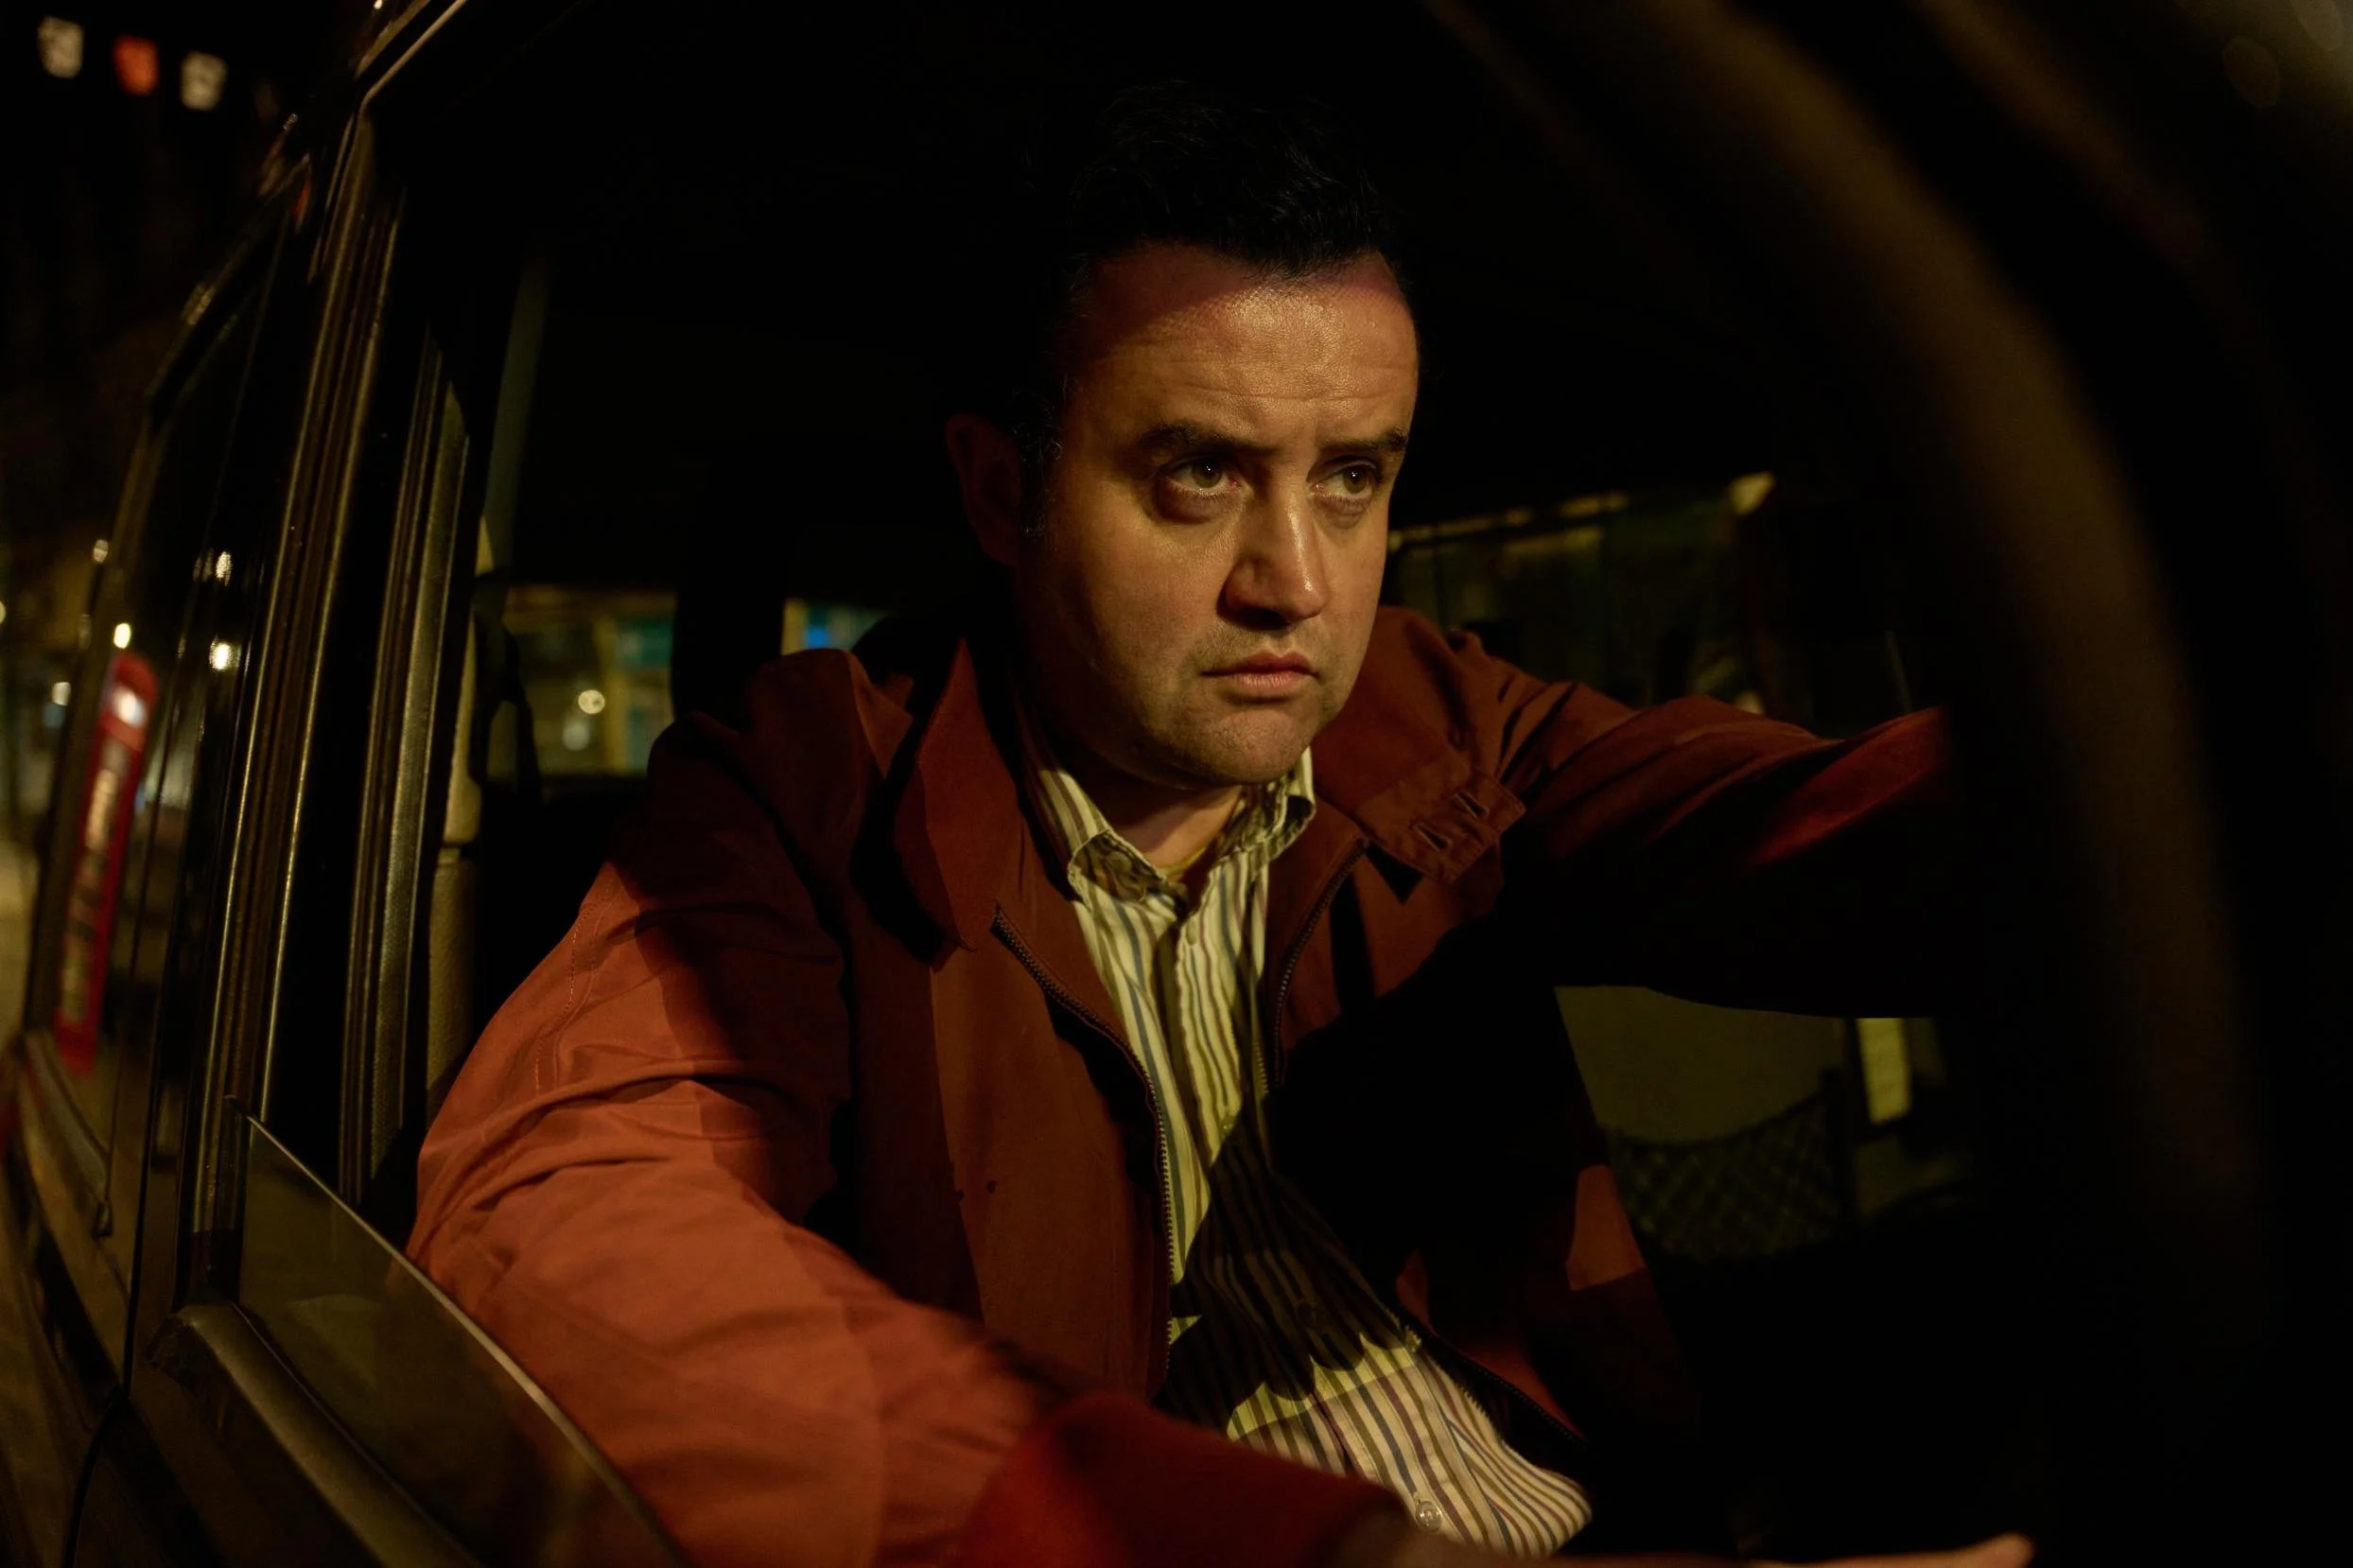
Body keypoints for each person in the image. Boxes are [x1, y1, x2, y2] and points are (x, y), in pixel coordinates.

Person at [408, 85, 2024, 1568]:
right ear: (1001, 493)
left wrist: (2118, 761)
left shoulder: (1440, 720)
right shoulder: (811, 788)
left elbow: (1800, 828)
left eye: (1352, 477)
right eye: (1199, 473)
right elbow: (563, 1217)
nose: (1296, 582)